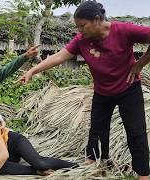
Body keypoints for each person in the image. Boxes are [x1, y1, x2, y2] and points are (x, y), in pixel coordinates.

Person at [18, 1, 150, 179]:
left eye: (82, 26)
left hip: (129, 89)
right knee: (97, 131)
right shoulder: (81, 40)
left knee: (136, 132)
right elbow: (59, 56)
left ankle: (143, 174)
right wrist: (32, 70)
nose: (80, 31)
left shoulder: (123, 30)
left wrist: (139, 65)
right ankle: (93, 167)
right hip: (102, 92)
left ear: (97, 20)